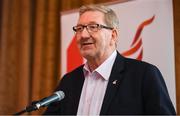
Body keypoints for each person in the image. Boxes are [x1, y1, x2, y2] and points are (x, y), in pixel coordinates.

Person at [44, 4, 176, 115]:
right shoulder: (69, 81)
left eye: (93, 27)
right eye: (79, 29)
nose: (83, 35)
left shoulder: (144, 75)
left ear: (113, 35)